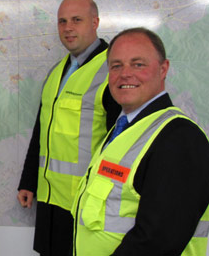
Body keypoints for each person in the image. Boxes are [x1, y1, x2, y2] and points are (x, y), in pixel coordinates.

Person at [72, 27, 209, 255]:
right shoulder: (125, 128)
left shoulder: (179, 139)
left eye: (138, 64)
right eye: (116, 66)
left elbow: (156, 243)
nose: (125, 74)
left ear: (163, 69)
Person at [17, 0, 121, 255]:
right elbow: (42, 131)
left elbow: (119, 143)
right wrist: (28, 181)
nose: (68, 28)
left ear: (95, 22)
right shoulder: (57, 71)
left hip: (85, 204)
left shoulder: (112, 71)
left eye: (77, 20)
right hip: (50, 201)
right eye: (62, 21)